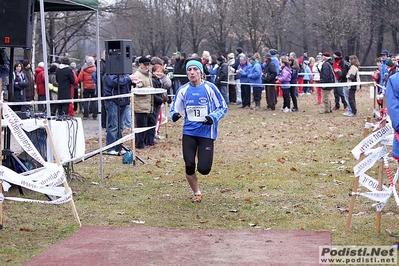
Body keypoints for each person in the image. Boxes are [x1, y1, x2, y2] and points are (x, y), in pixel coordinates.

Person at [169, 58, 228, 203]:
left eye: (195, 69)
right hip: (189, 132)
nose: (192, 72)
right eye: (189, 70)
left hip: (206, 132)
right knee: (189, 165)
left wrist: (212, 117)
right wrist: (174, 115)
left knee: (204, 169)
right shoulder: (183, 90)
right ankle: (197, 193)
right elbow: (173, 109)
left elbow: (223, 107)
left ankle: (201, 156)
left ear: (201, 72)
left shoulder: (210, 88)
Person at [103, 73, 141, 155]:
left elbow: (125, 84)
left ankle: (118, 147)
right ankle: (110, 148)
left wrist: (133, 82)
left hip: (123, 101)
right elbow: (115, 82)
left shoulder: (125, 73)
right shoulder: (109, 74)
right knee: (113, 126)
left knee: (120, 126)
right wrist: (129, 79)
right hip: (112, 101)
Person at [132, 56, 154, 149]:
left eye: (148, 64)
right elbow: (136, 89)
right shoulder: (137, 75)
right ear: (140, 64)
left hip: (147, 104)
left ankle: (144, 142)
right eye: (145, 64)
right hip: (140, 104)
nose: (147, 66)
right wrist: (149, 89)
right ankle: (139, 144)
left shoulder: (148, 74)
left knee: (146, 124)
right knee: (141, 125)